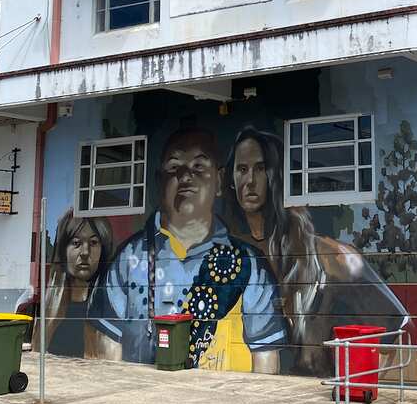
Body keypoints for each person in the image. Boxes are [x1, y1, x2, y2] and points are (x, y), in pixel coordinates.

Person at [89, 128, 286, 373]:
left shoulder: (248, 265)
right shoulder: (128, 259)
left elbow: (266, 359)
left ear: (219, 181)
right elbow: (107, 348)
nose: (185, 176)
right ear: (159, 180)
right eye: (174, 167)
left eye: (199, 167)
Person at [223, 126, 409, 376]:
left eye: (261, 168)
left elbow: (396, 335)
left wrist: (360, 392)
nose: (250, 180)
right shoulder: (230, 256)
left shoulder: (330, 258)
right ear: (231, 180)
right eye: (242, 169)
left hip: (311, 401)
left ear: (278, 175)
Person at [17, 211, 119, 359]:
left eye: (94, 243)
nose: (85, 252)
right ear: (63, 250)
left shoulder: (111, 309)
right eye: (76, 243)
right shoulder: (44, 308)